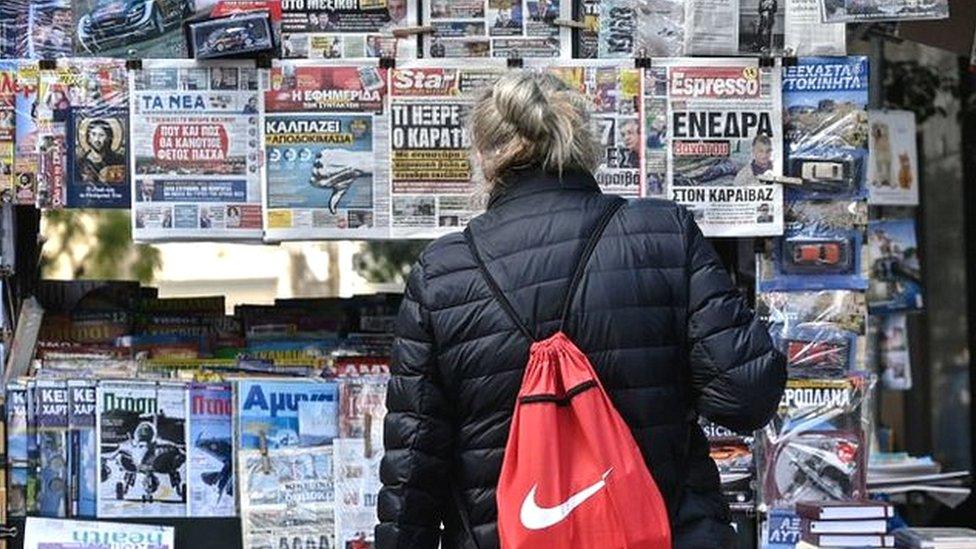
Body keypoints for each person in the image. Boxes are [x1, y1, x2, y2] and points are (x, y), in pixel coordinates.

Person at [377, 72, 786, 548]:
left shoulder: (443, 273)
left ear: (487, 158)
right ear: (584, 142)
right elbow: (746, 395)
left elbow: (411, 473)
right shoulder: (663, 234)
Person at [77, 120, 124, 184]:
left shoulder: (118, 160)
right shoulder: (80, 163)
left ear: (108, 138)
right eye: (93, 134)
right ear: (88, 138)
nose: (97, 139)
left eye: (101, 135)